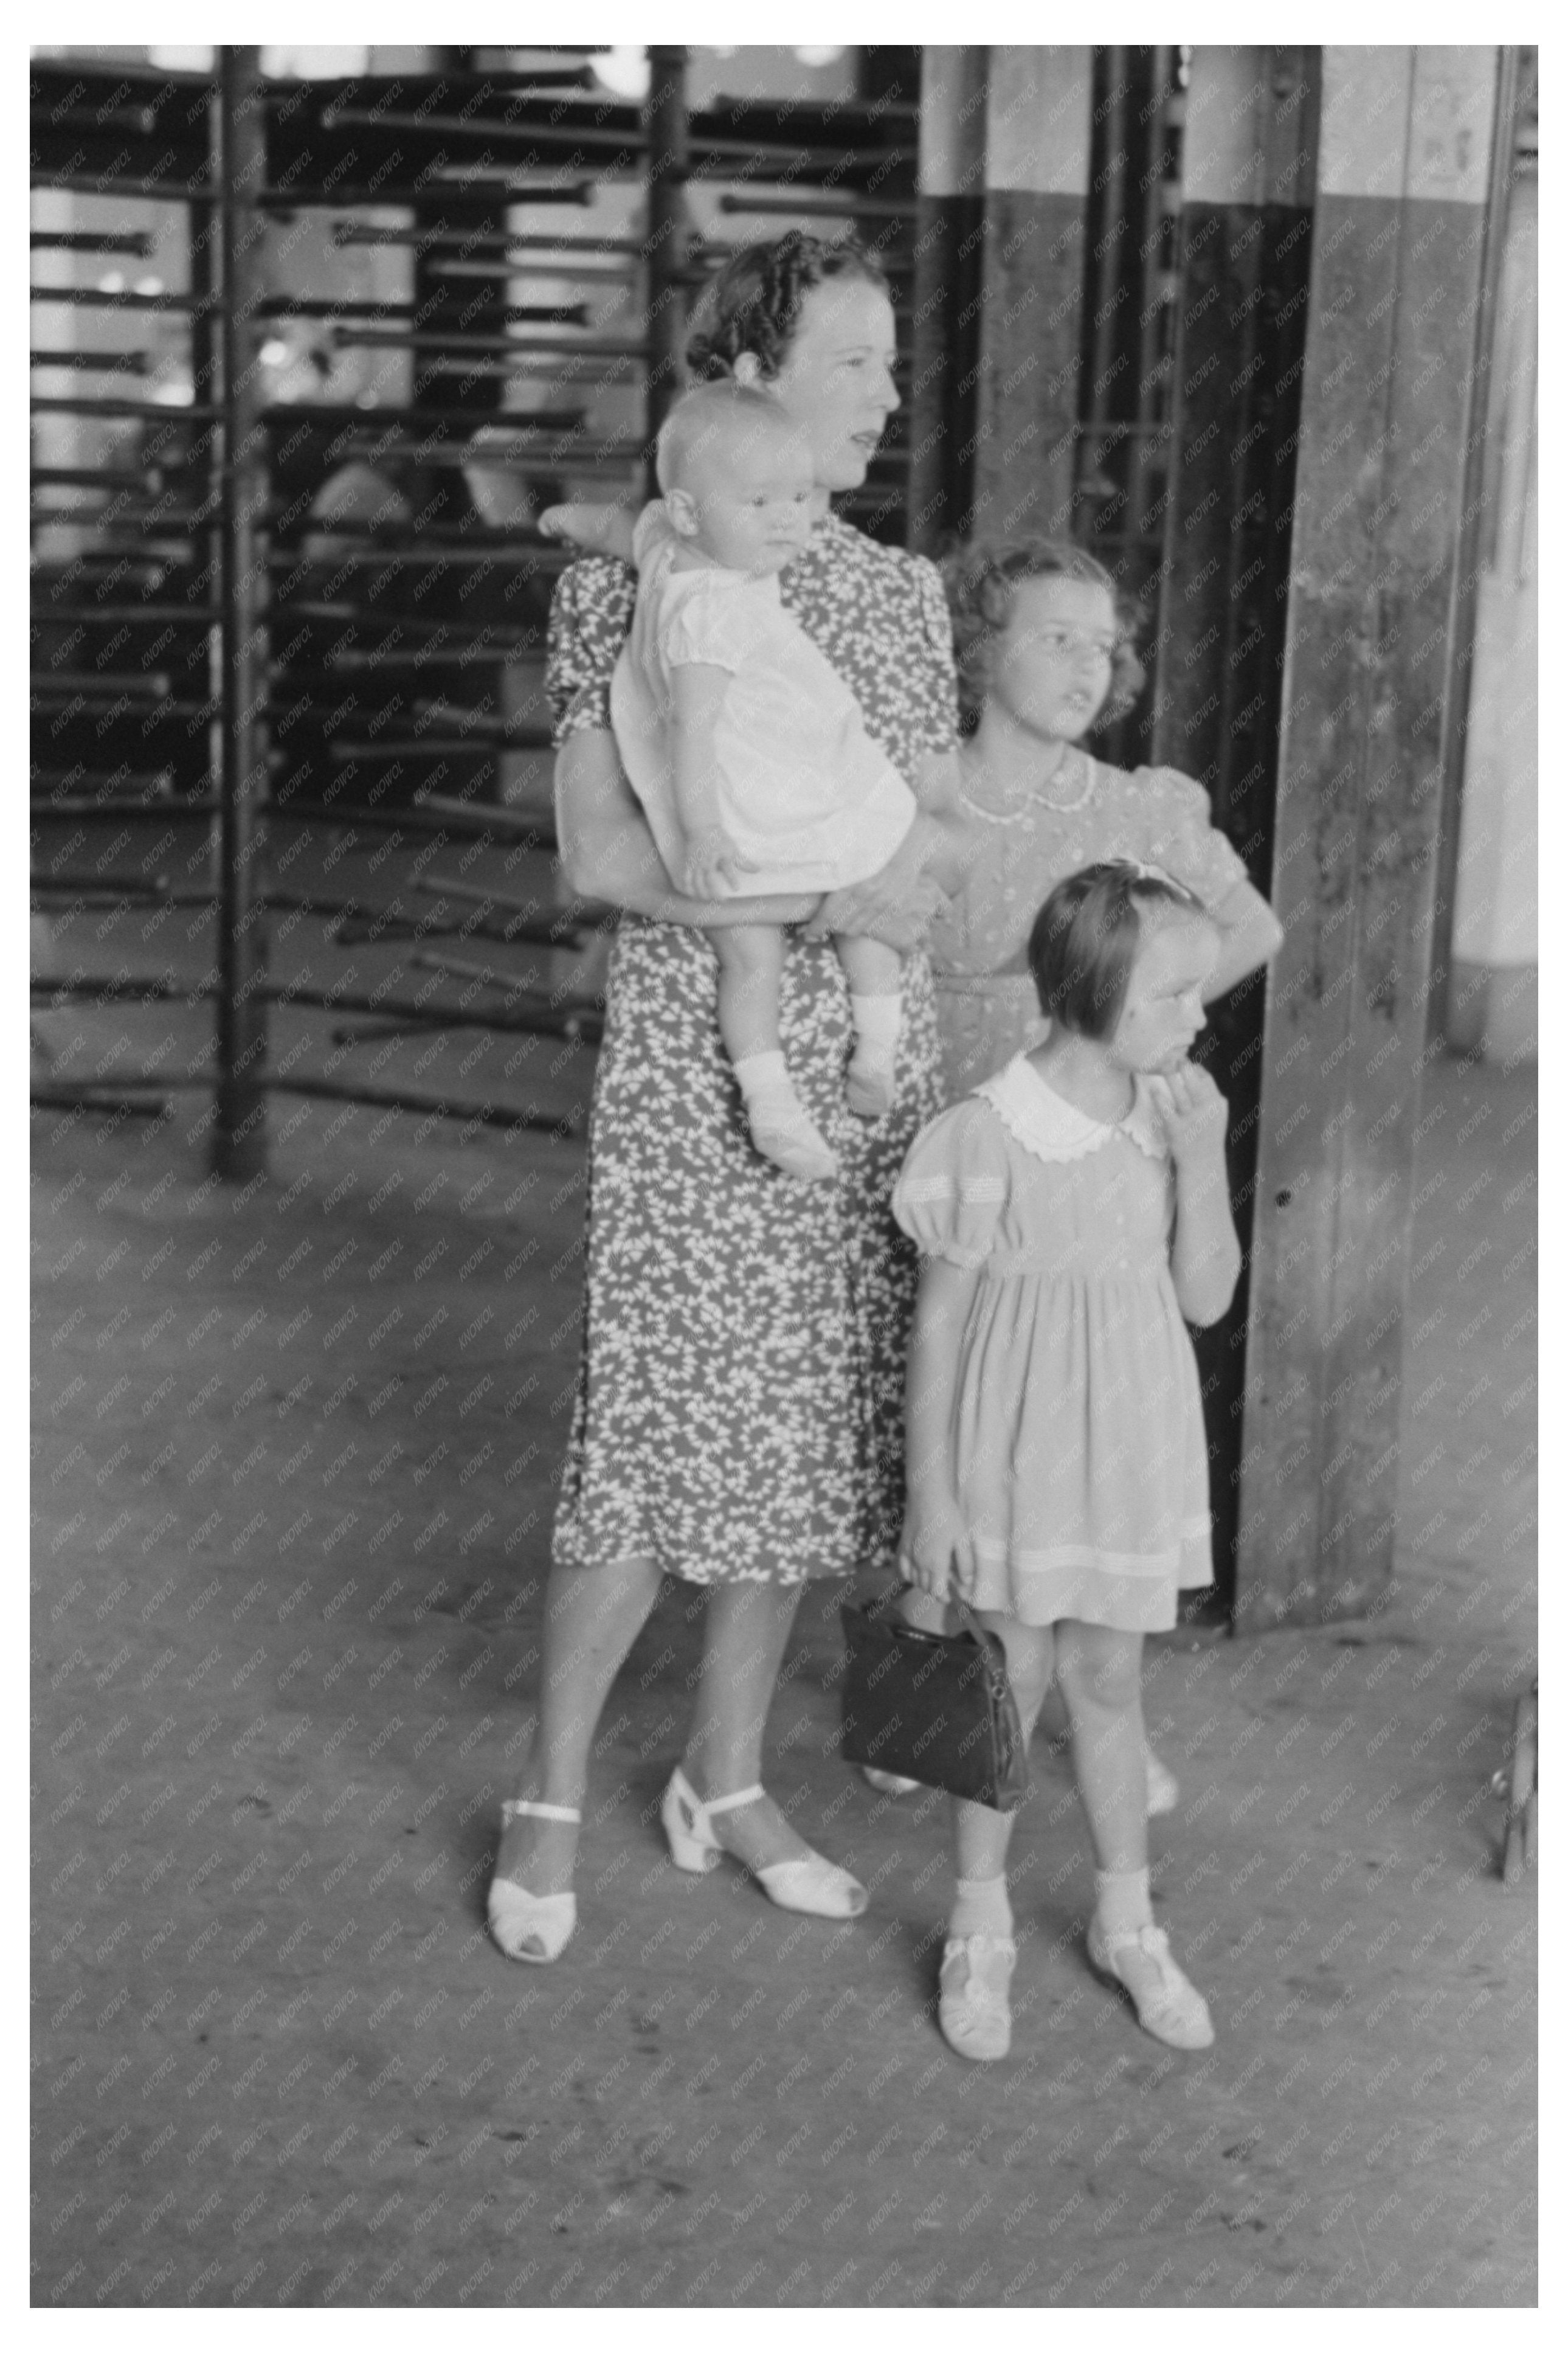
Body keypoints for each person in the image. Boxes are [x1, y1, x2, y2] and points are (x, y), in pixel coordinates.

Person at [486, 230, 961, 1966]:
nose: (889, 395)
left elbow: (919, 833)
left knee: (802, 1435)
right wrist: (810, 898)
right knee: (649, 1428)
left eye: (891, 363)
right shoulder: (621, 581)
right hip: (697, 1058)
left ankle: (727, 1773)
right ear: (746, 373)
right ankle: (547, 1789)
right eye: (855, 361)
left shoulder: (899, 594)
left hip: (859, 1064)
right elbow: (598, 852)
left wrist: (853, 899)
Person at [865, 537, 1283, 1814]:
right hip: (940, 1133)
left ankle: (1108, 1709)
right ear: (981, 646)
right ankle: (925, 1689)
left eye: (1104, 646)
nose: (1086, 666)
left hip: (1091, 1149)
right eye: (1055, 637)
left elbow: (1251, 928)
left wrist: (1117, 1020)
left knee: (1071, 1421)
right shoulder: (911, 790)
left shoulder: (1137, 807)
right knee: (937, 1402)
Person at [891, 862, 1242, 2062]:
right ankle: (977, 1925)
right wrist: (931, 1494)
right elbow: (937, 1324)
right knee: (1006, 1680)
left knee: (1108, 1684)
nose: (1201, 1016)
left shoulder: (1175, 1114)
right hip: (1014, 1447)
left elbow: (1205, 1299)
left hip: (1129, 1448)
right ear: (1092, 993)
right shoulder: (987, 1135)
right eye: (1175, 994)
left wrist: (1205, 1165)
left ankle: (1125, 1921)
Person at [543, 384, 922, 1182]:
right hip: (748, 788)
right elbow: (694, 728)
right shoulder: (708, 614)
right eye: (761, 502)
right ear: (689, 512)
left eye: (796, 498)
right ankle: (853, 1061)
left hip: (764, 778)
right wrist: (706, 832)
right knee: (851, 903)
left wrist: (567, 519)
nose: (790, 519)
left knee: (754, 952)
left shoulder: (672, 542)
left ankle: (791, 1088)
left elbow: (621, 528)